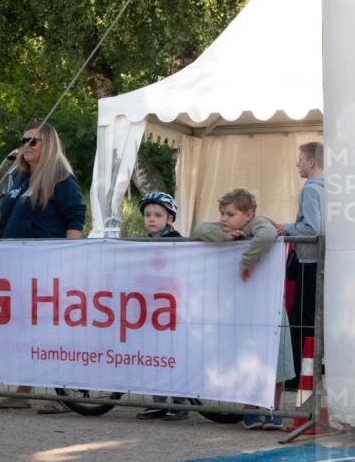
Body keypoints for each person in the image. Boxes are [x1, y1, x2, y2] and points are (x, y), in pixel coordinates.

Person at [0, 120, 86, 413]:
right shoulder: (20, 178)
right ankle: (22, 391)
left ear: (48, 145)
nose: (26, 145)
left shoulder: (61, 178)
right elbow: (14, 215)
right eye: (24, 139)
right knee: (23, 329)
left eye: (33, 141)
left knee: (51, 330)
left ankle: (64, 393)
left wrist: (70, 257)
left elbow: (75, 217)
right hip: (17, 266)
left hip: (47, 266)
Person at [192, 188, 294, 429]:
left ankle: (271, 409)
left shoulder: (259, 224)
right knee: (249, 359)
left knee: (277, 361)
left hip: (271, 306)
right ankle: (250, 411)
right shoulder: (227, 229)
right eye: (222, 214)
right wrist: (227, 236)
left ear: (249, 214)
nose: (223, 219)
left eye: (230, 214)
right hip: (245, 308)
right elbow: (199, 230)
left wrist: (245, 261)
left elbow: (267, 234)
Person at [133, 192, 189, 421]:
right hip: (150, 311)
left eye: (158, 215)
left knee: (173, 356)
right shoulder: (141, 243)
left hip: (173, 310)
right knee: (153, 356)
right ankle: (158, 401)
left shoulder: (178, 241)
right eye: (147, 215)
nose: (152, 219)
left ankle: (180, 403)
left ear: (170, 218)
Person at [277, 142, 323, 391]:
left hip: (309, 261)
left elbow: (313, 228)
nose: (297, 163)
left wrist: (285, 228)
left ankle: (301, 379)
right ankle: (309, 376)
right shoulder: (333, 187)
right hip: (321, 262)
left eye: (300, 159)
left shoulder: (311, 189)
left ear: (311, 162)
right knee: (307, 319)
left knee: (302, 322)